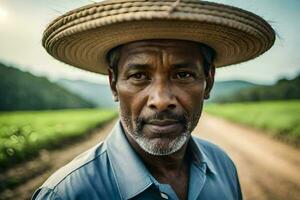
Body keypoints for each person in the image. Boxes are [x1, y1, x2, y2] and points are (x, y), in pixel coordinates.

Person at [33, 0, 275, 199]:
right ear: (113, 84)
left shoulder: (222, 165)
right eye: (139, 76)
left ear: (208, 82)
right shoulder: (66, 194)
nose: (161, 100)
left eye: (183, 75)